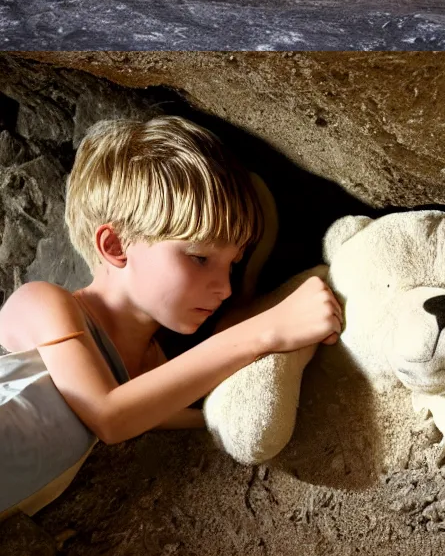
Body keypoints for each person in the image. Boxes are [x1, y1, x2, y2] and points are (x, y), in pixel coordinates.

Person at [0, 116, 342, 520]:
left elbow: (208, 415)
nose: (224, 286)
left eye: (232, 265)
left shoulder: (149, 372)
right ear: (115, 245)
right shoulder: (45, 302)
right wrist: (266, 330)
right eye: (199, 257)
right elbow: (111, 416)